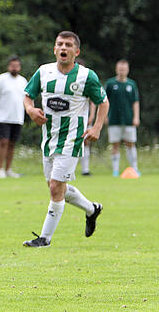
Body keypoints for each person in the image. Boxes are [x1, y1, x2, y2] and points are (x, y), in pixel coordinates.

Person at [22, 31, 107, 248]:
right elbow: (27, 96)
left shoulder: (86, 76)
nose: (63, 48)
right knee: (57, 187)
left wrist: (96, 127)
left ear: (76, 52)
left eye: (68, 45)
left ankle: (44, 239)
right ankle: (92, 209)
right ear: (54, 49)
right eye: (60, 44)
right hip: (49, 139)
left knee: (55, 187)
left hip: (72, 139)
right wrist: (30, 110)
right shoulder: (44, 72)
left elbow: (103, 102)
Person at [0, 55, 28, 178]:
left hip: (17, 117)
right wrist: (3, 106)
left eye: (17, 66)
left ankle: (8, 169)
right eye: (12, 66)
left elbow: (26, 98)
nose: (14, 68)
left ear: (19, 67)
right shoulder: (1, 79)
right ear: (9, 66)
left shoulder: (23, 81)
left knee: (12, 143)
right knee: (3, 142)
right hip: (3, 117)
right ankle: (0, 169)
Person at [104, 60, 140, 177]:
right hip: (114, 119)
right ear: (116, 69)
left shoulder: (132, 84)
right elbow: (104, 101)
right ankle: (115, 171)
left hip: (129, 119)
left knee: (131, 143)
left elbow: (135, 102)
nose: (122, 71)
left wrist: (136, 117)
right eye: (120, 69)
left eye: (124, 69)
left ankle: (134, 168)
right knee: (115, 144)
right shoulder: (110, 84)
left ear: (127, 70)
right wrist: (104, 116)